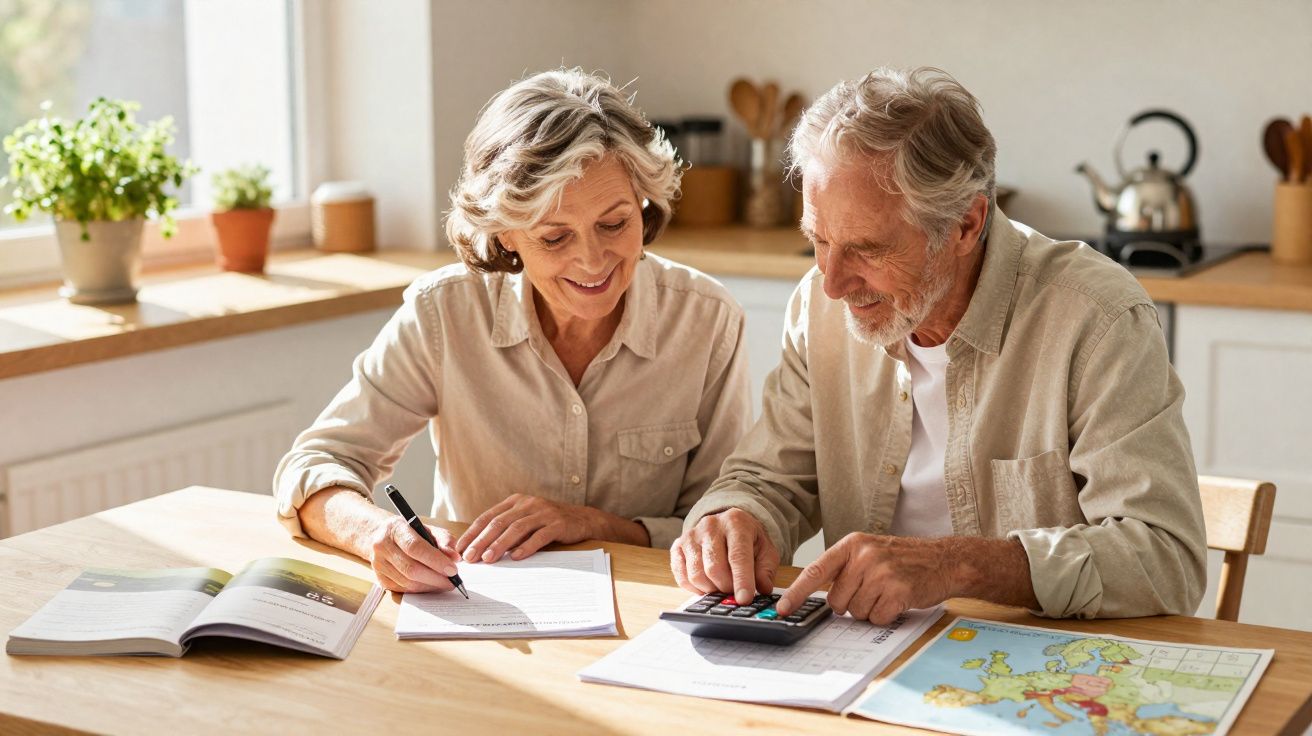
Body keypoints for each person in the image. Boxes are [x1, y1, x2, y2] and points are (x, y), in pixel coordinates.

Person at [670, 67, 1207, 623]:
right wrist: (733, 519)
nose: (832, 283)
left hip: (1039, 657)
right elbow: (770, 479)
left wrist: (957, 565)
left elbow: (1165, 559)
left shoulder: (1096, 319)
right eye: (818, 241)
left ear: (966, 225)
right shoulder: (819, 306)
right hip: (866, 652)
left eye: (867, 249)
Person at [275, 69, 752, 593]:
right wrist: (376, 534)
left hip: (651, 613)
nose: (592, 260)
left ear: (644, 204)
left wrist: (594, 525)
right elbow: (315, 465)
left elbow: (726, 524)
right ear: (506, 234)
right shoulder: (444, 313)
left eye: (614, 224)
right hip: (478, 612)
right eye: (554, 237)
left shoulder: (707, 320)